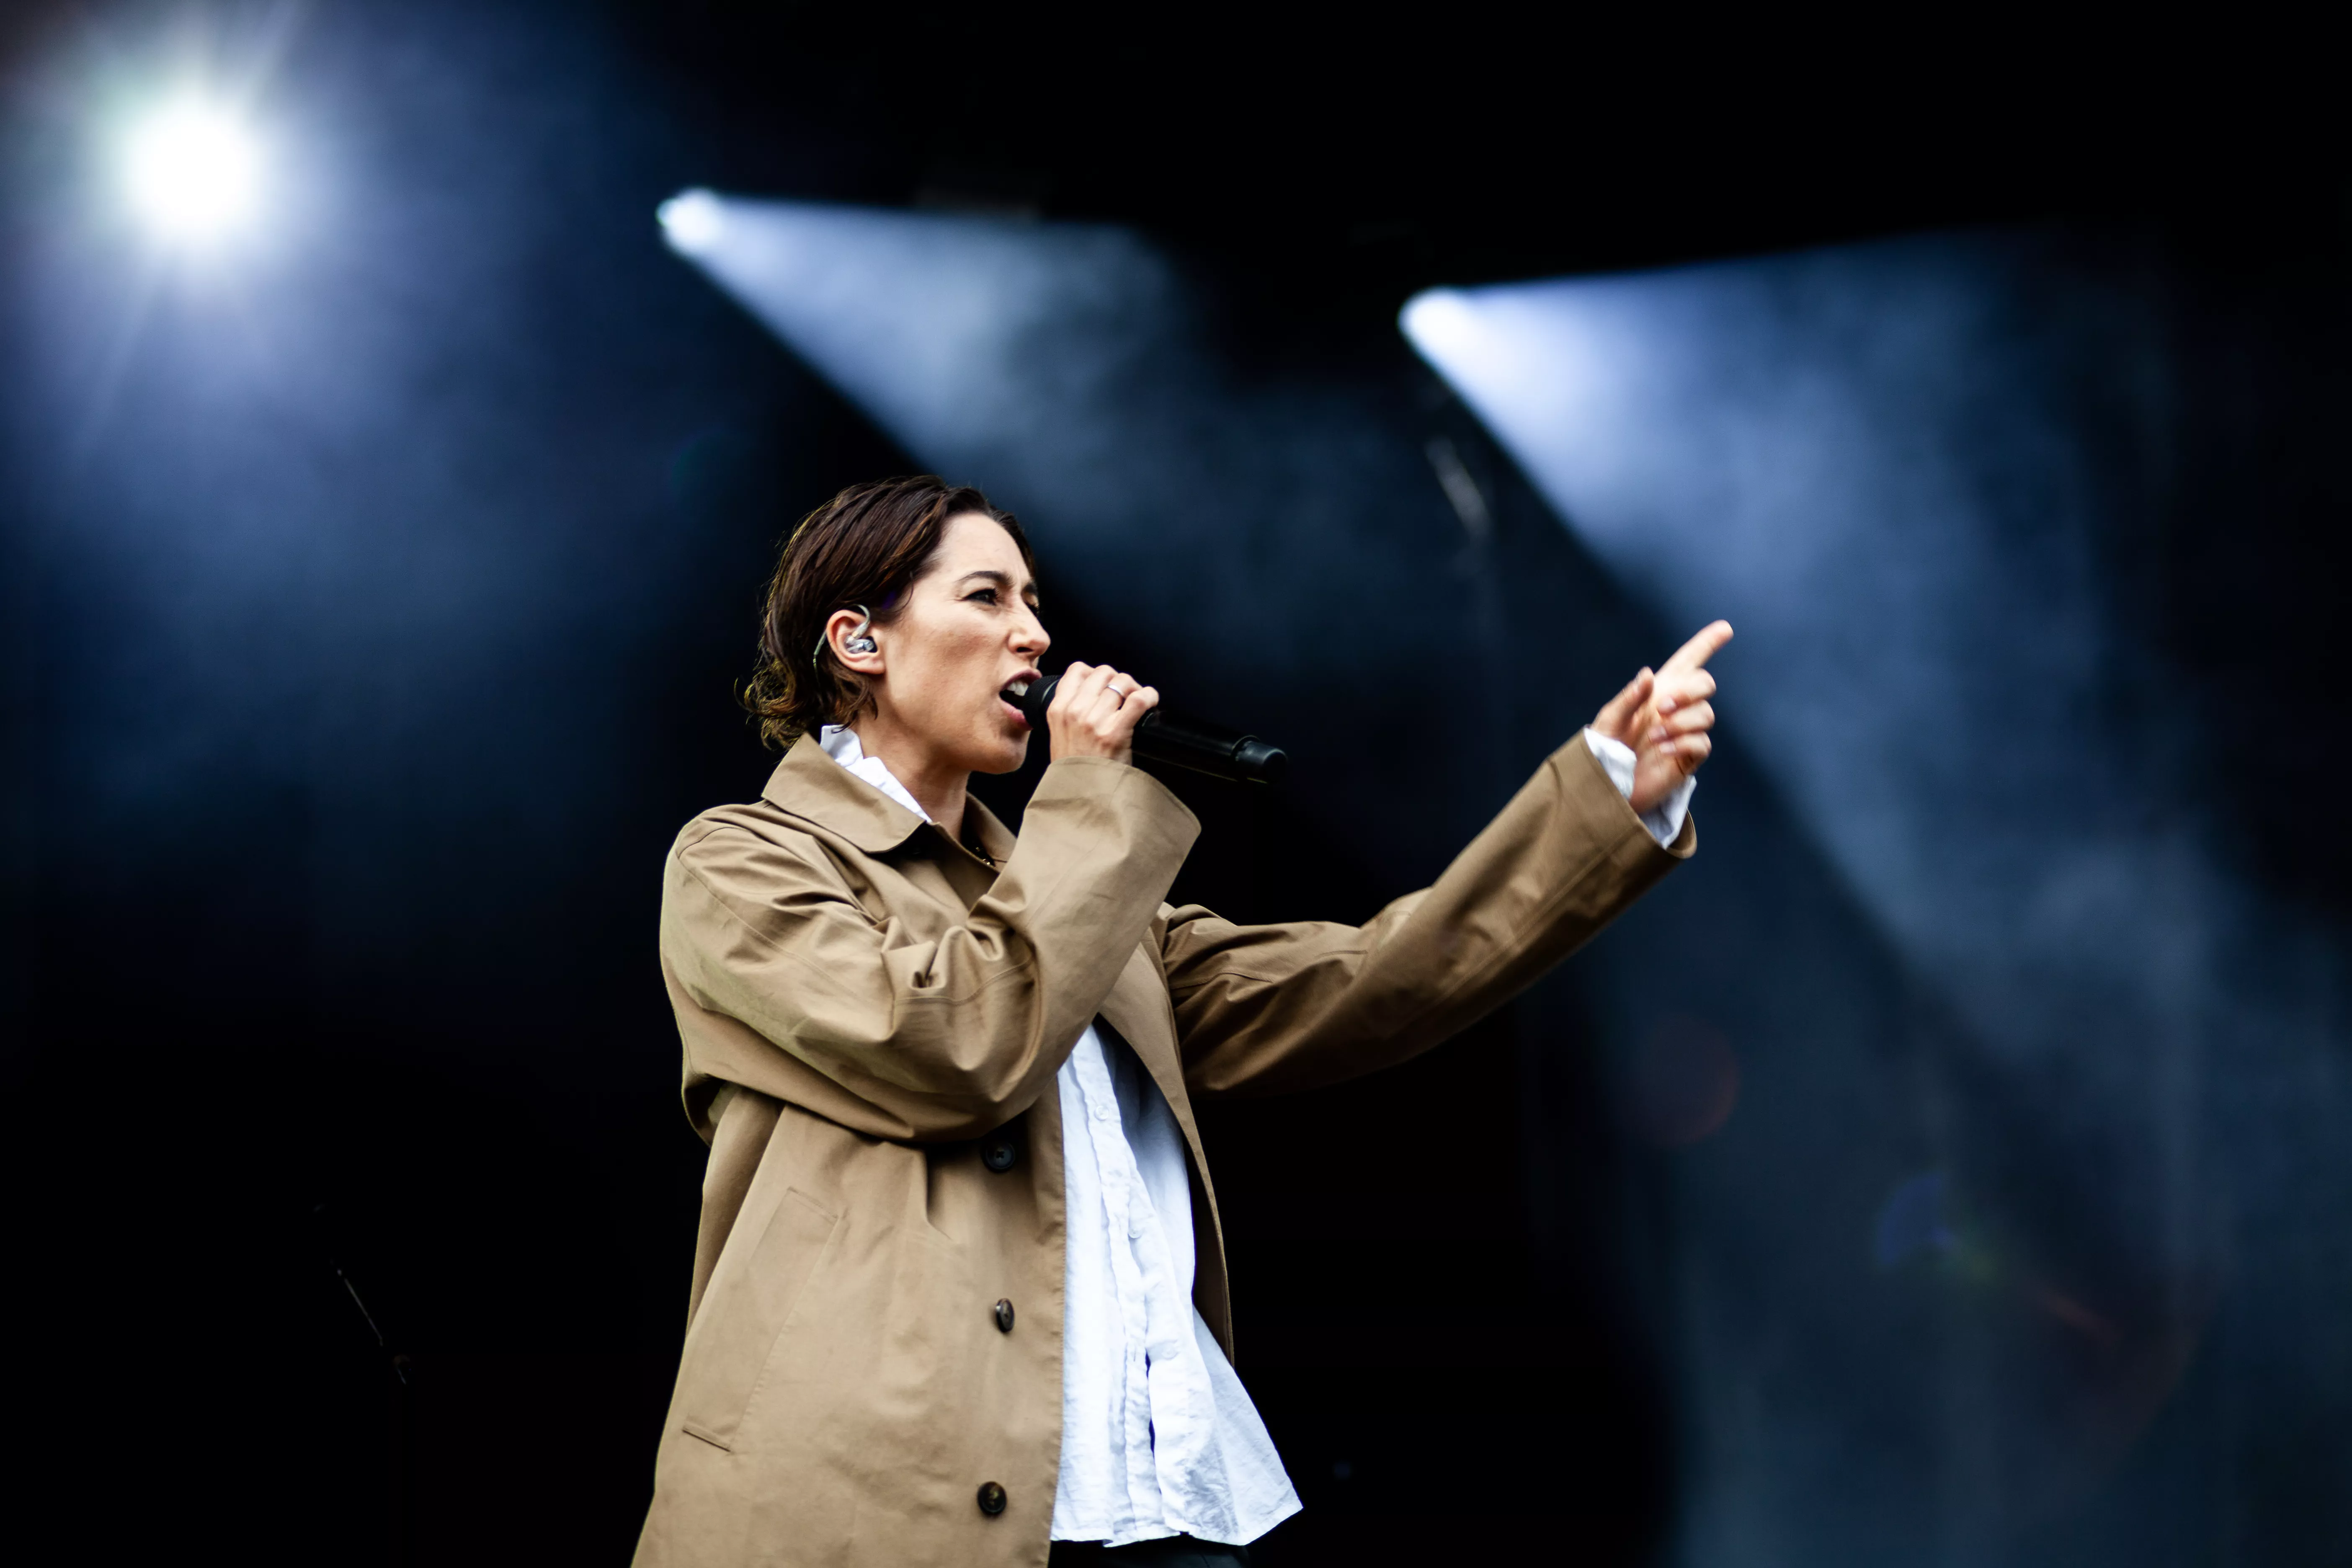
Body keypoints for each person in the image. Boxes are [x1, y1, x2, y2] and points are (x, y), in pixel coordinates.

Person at [633, 476, 1728, 1568]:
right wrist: (1086, 799)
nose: (1035, 635)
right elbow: (955, 1045)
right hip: (882, 1509)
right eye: (987, 597)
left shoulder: (1086, 904)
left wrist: (1602, 801)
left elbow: (1367, 979)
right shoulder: (743, 864)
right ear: (859, 641)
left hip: (1158, 1501)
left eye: (1035, 603)